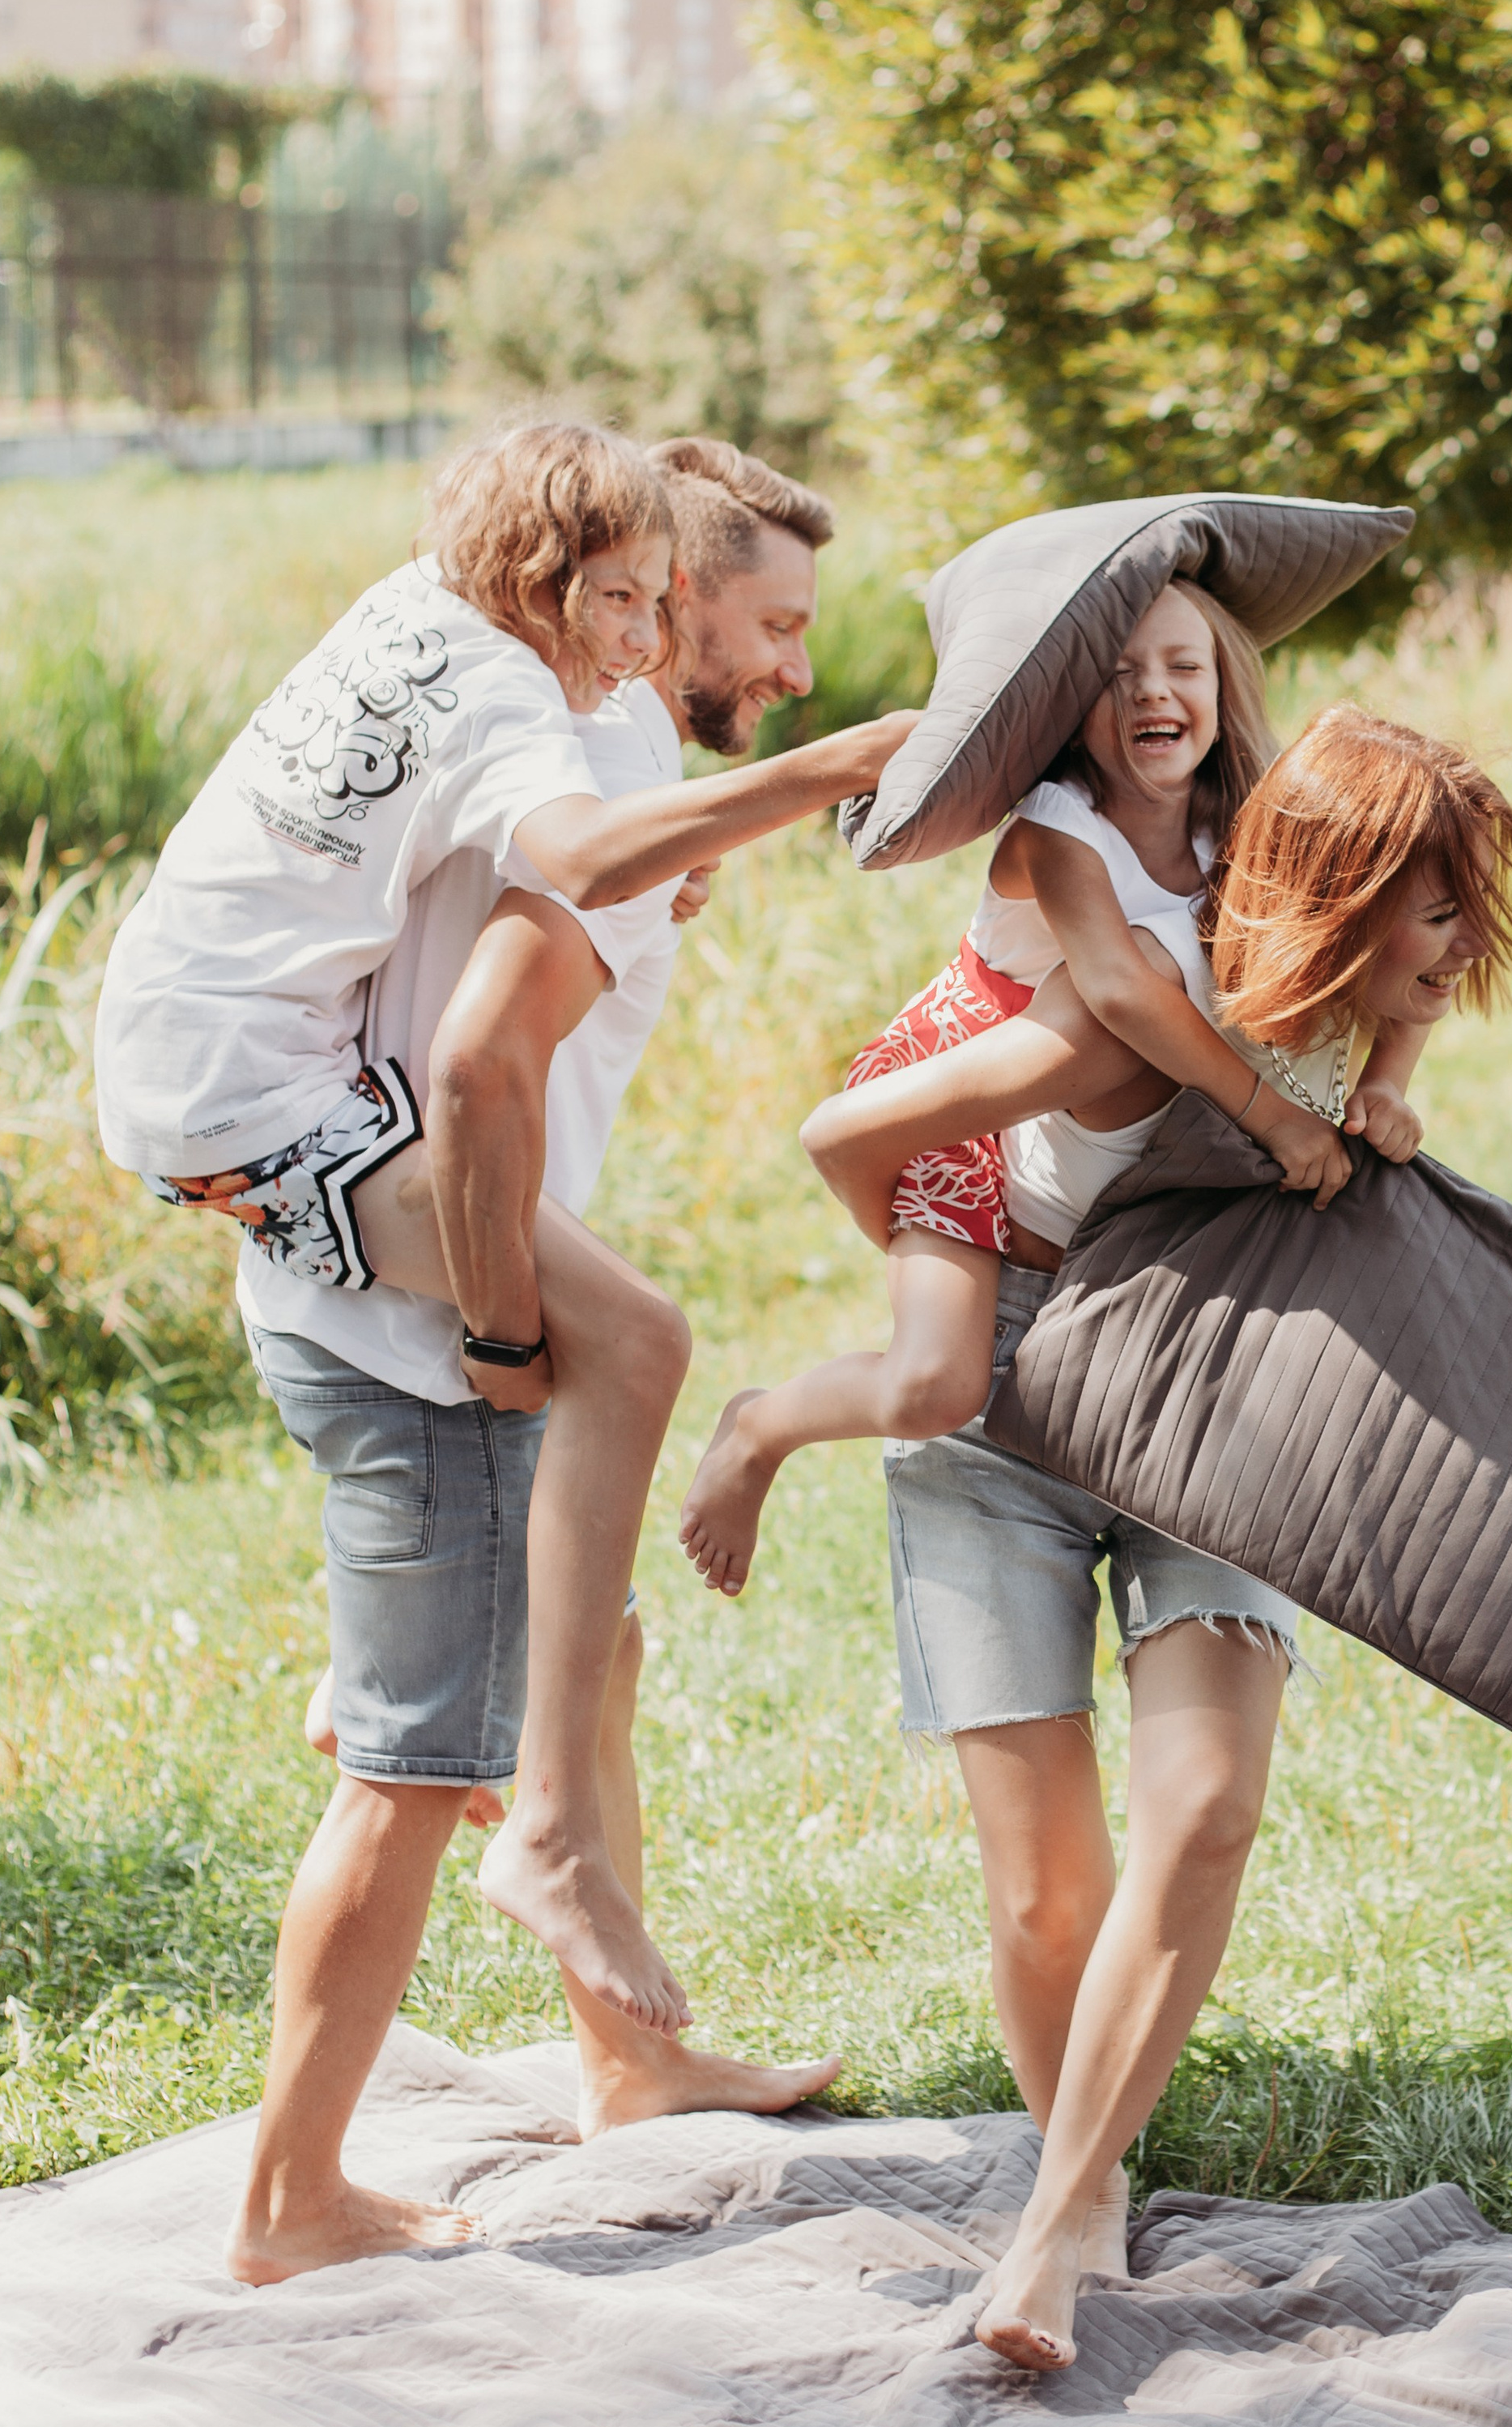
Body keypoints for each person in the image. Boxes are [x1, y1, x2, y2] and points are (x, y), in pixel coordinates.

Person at [98, 422, 911, 2280]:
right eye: (755, 625)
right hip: (354, 1240)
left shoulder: (492, 641)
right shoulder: (569, 713)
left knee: (588, 1634)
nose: (786, 670)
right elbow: (474, 1062)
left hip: (259, 1122)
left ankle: (626, 2051)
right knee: (412, 1755)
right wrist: (491, 1326)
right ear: (621, 600)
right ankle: (295, 2195)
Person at [795, 706, 1512, 2368]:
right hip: (998, 1418)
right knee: (1045, 1899)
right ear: (1340, 903)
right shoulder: (1124, 1014)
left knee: (1203, 1807)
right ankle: (1091, 2177)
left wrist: (1390, 1091)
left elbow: (1365, 1048)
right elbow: (851, 1136)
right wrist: (921, 1319)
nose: (1461, 947)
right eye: (1431, 910)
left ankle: (1056, 2217)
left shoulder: (1356, 1017)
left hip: (1210, 1425)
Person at [679, 579, 1416, 1598]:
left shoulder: (1241, 817)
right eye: (1116, 676)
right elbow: (1116, 988)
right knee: (935, 1385)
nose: (1152, 692)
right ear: (1069, 702)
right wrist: (1271, 1117)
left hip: (1083, 1123)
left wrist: (1388, 1079)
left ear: (1222, 683)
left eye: (1180, 667)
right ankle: (763, 1425)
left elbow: (1388, 926)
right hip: (967, 1089)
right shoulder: (1059, 821)